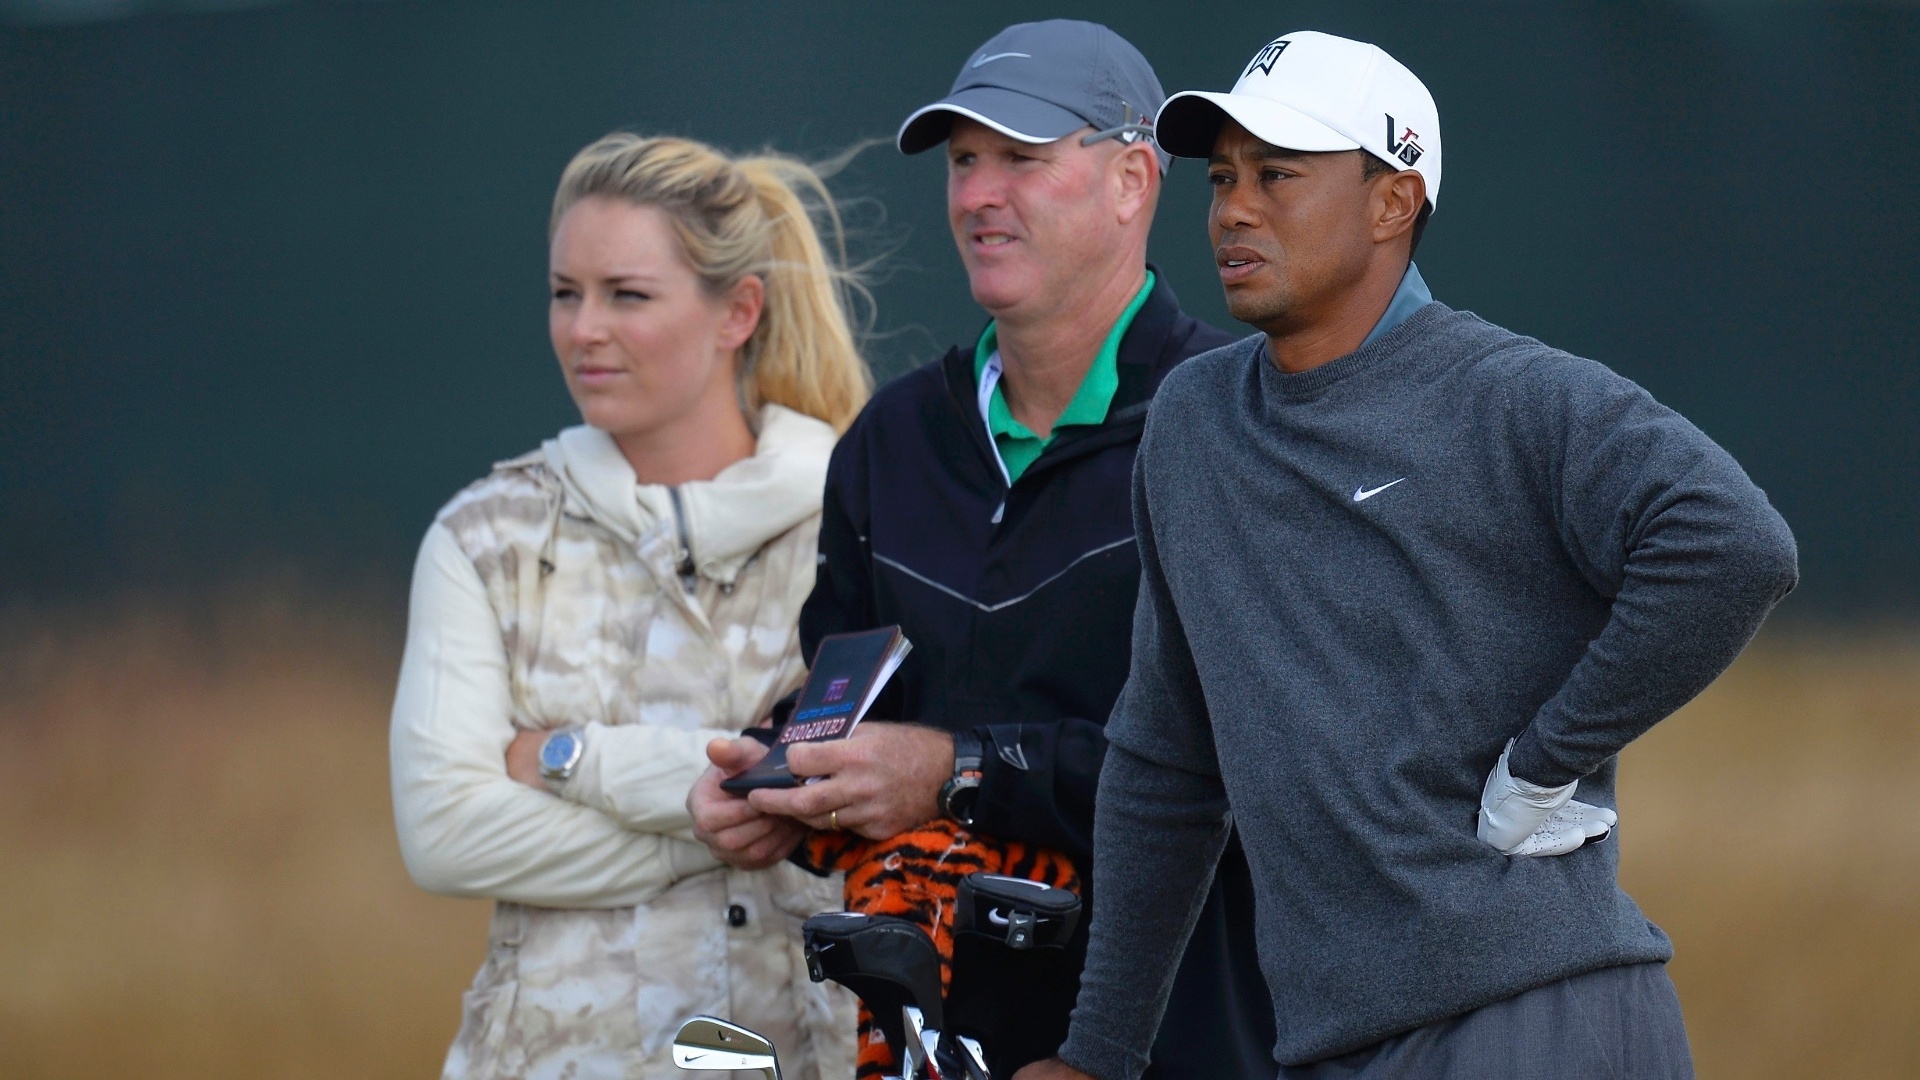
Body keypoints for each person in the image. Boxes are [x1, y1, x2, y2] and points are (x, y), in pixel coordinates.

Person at [1017, 31, 1801, 1080]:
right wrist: (1099, 1054)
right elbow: (1166, 762)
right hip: (1337, 1042)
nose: (1234, 209)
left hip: (1537, 1018)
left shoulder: (1512, 394)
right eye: (1222, 178)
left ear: (1393, 202)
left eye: (1278, 175)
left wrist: (1546, 761)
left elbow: (1735, 544)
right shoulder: (1192, 421)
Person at [687, 20, 1275, 1080]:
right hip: (930, 1041)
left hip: (1181, 1036)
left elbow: (1246, 771)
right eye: (964, 161)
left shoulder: (1242, 427)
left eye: (1021, 158)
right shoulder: (894, 439)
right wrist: (780, 777)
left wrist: (954, 771)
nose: (978, 195)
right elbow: (854, 695)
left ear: (1132, 181)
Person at [389, 132, 871, 1080]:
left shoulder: (859, 521)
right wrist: (724, 822)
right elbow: (443, 835)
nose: (584, 329)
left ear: (738, 311)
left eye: (627, 295)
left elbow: (878, 793)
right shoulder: (486, 539)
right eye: (565, 292)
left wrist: (570, 759)